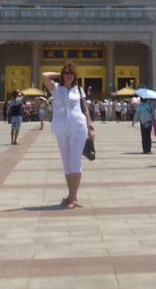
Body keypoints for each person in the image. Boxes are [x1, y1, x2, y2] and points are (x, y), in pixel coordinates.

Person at [42, 63, 95, 209]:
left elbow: (86, 109)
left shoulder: (79, 89)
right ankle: (70, 194)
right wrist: (58, 73)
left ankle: (73, 197)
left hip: (78, 127)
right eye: (66, 73)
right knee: (66, 163)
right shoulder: (56, 88)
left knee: (75, 162)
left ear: (75, 76)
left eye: (71, 73)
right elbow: (44, 76)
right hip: (61, 128)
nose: (68, 75)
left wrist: (90, 127)